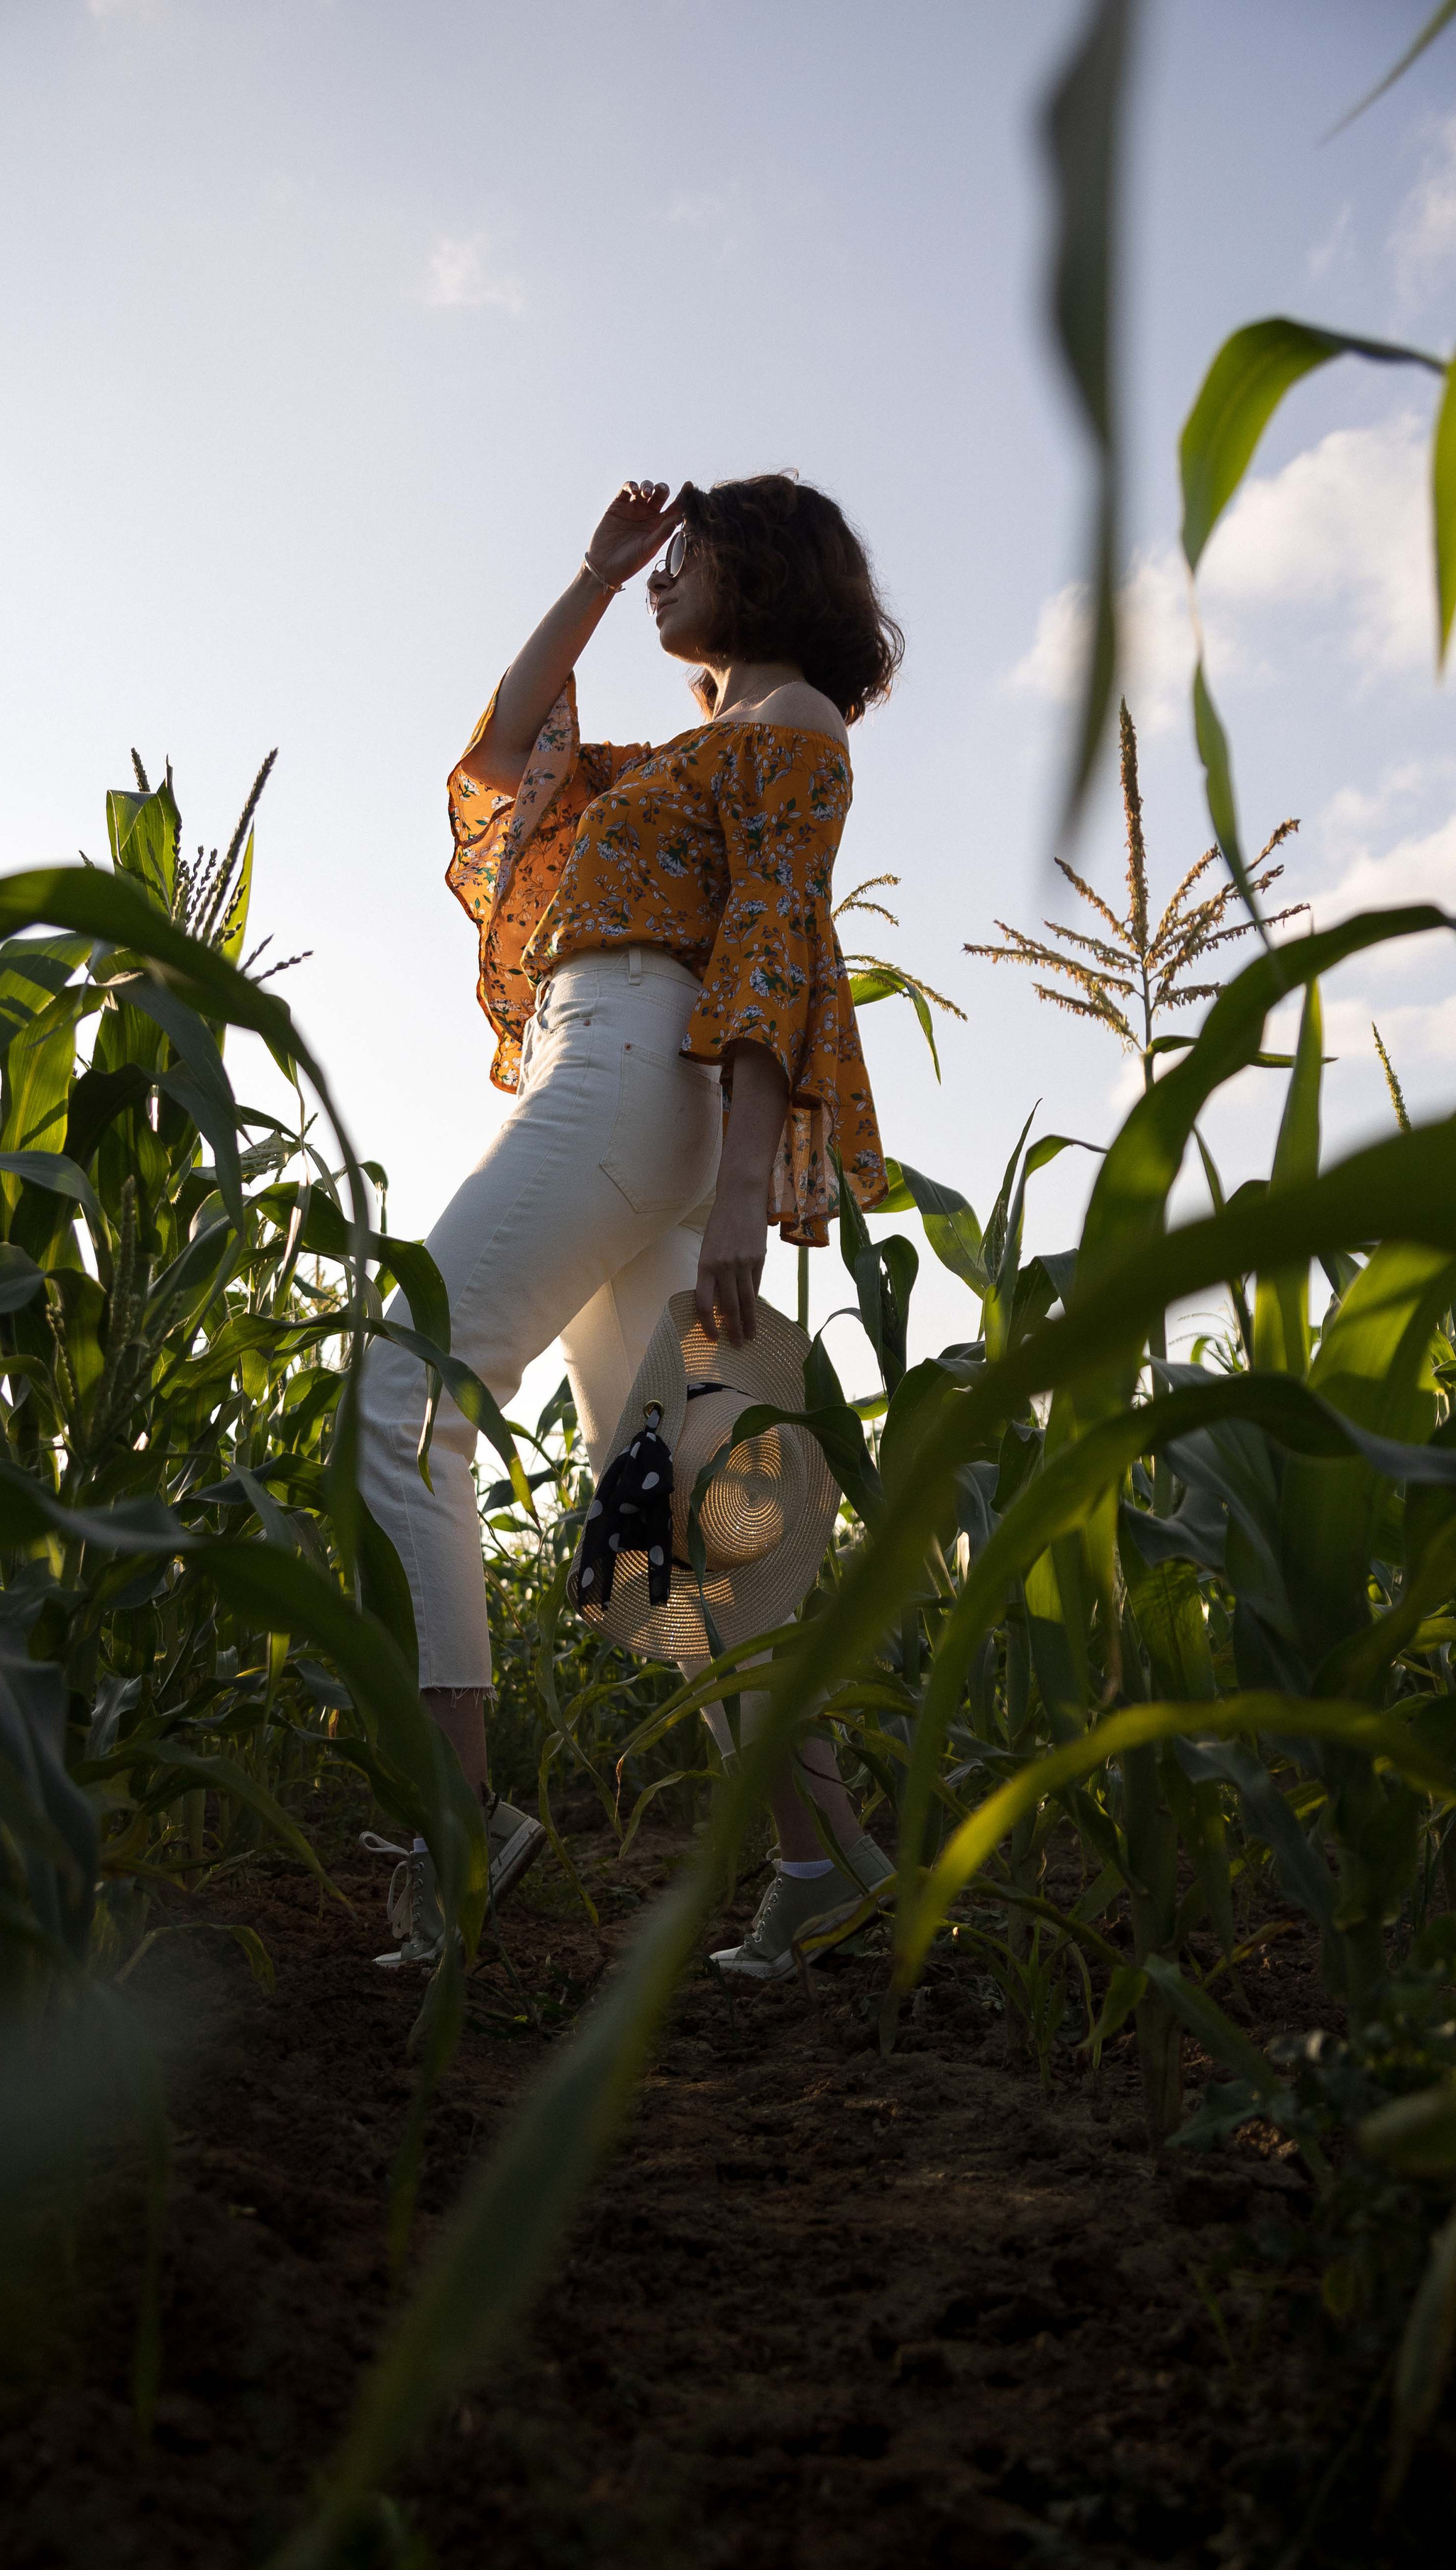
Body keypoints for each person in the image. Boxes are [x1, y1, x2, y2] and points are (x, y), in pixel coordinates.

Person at [358, 473, 901, 1980]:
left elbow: (773, 932)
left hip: (628, 1079)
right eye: (651, 565)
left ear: (770, 568)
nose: (661, 579)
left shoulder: (789, 725)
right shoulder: (680, 754)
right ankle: (819, 1856)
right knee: (668, 1509)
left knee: (402, 1398)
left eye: (683, 557)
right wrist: (590, 576)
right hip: (610, 1089)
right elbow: (495, 756)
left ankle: (454, 1825)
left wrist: (740, 1187)